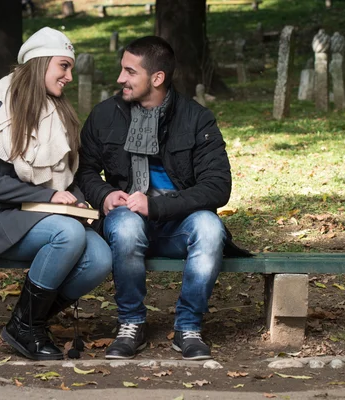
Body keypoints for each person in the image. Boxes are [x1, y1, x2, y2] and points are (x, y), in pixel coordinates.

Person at [76, 36, 251, 361]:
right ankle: (131, 324)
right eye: (121, 70)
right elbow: (83, 170)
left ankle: (188, 328)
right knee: (127, 226)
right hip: (126, 222)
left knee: (211, 228)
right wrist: (104, 194)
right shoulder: (105, 115)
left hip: (178, 226)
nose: (120, 79)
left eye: (130, 71)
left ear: (157, 78)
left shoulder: (196, 118)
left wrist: (156, 205)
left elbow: (217, 186)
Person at [0, 27, 112, 361]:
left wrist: (76, 198)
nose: (69, 76)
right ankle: (26, 327)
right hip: (2, 218)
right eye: (63, 66)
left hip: (52, 216)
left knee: (101, 258)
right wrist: (50, 199)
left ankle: (28, 321)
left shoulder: (59, 110)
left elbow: (66, 174)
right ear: (41, 63)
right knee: (68, 232)